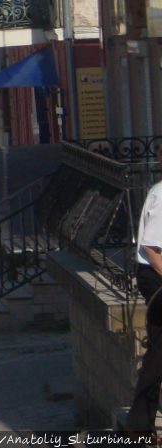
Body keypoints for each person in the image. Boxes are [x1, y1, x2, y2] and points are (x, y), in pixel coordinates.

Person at [127, 176, 162, 436]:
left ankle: (139, 425)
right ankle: (138, 426)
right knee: (158, 353)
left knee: (158, 353)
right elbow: (151, 247)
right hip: (156, 276)